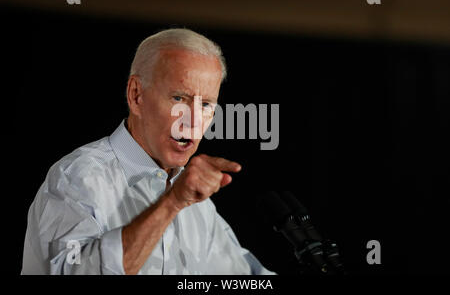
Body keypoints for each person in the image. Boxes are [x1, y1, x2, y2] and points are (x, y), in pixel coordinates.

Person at [21, 28, 275, 275]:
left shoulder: (198, 207)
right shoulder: (78, 177)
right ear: (136, 95)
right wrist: (172, 203)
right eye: (179, 99)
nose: (194, 120)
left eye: (206, 104)